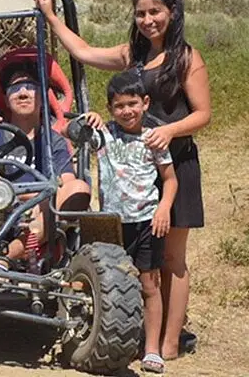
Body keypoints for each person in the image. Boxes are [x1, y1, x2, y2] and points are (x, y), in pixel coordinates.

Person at [36, 0, 210, 359]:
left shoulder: (187, 58)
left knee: (172, 258)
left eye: (155, 12)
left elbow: (203, 114)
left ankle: (170, 342)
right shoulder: (134, 56)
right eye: (141, 13)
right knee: (143, 258)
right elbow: (83, 51)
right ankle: (147, 334)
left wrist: (169, 131)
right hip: (134, 172)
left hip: (176, 166)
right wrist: (51, 16)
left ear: (172, 12)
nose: (148, 20)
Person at [84, 71, 178, 374]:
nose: (127, 111)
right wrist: (88, 119)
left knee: (149, 284)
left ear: (145, 103)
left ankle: (151, 349)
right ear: (110, 108)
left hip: (147, 221)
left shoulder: (154, 138)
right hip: (111, 223)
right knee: (110, 281)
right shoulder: (104, 135)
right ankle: (110, 338)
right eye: (119, 106)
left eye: (132, 104)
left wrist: (164, 208)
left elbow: (170, 179)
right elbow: (72, 132)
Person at [0, 67, 92, 271]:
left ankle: (5, 258)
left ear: (42, 97)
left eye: (30, 87)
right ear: (6, 99)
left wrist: (36, 200)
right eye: (15, 88)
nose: (23, 93)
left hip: (39, 216)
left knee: (78, 188)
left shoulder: (54, 141)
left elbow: (69, 186)